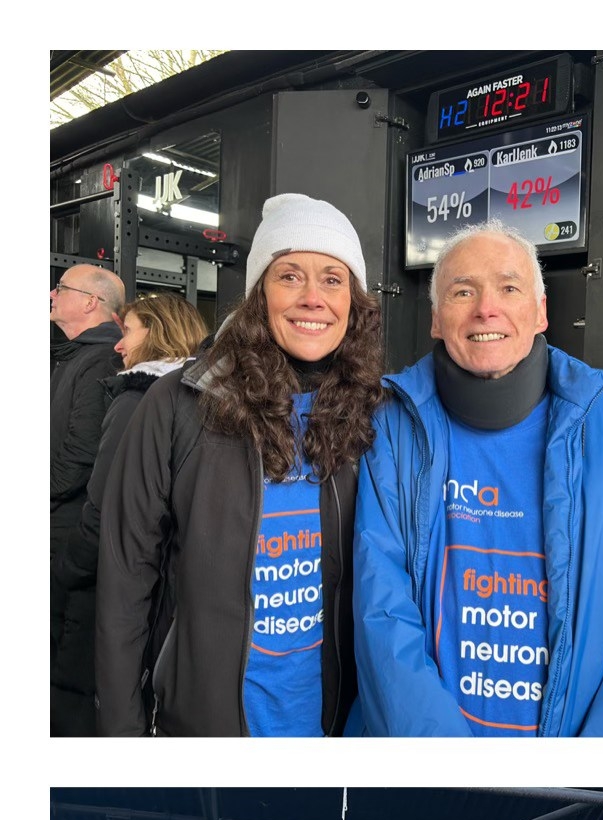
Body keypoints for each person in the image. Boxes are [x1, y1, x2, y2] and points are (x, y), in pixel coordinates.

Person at [353, 222, 603, 737]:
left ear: (540, 312)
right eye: (463, 291)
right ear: (437, 319)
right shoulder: (393, 430)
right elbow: (382, 615)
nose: (487, 308)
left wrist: (590, 787)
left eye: (509, 288)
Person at [95, 193, 384, 735]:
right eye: (290, 276)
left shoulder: (370, 412)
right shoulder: (179, 404)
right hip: (208, 728)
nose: (313, 298)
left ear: (354, 301)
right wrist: (122, 741)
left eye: (332, 279)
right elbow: (124, 583)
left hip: (333, 726)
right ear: (258, 294)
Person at [52, 293, 207, 736]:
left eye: (129, 332)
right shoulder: (198, 398)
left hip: (107, 586)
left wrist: (66, 569)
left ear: (156, 333)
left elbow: (104, 508)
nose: (119, 347)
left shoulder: (136, 397)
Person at [51, 265, 124, 569]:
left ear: (90, 302)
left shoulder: (101, 360)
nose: (52, 294)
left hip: (64, 528)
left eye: (61, 287)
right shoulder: (74, 355)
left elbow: (80, 456)